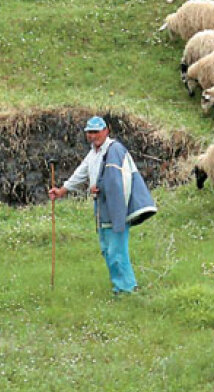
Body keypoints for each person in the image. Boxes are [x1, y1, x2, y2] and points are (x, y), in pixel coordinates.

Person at [49, 116, 157, 294]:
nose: (93, 136)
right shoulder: (94, 153)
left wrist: (100, 187)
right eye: (89, 132)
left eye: (96, 132)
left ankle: (127, 288)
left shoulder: (114, 150)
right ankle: (120, 286)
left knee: (116, 250)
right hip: (102, 207)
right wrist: (63, 190)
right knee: (107, 249)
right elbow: (82, 172)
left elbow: (117, 180)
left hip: (116, 206)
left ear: (106, 131)